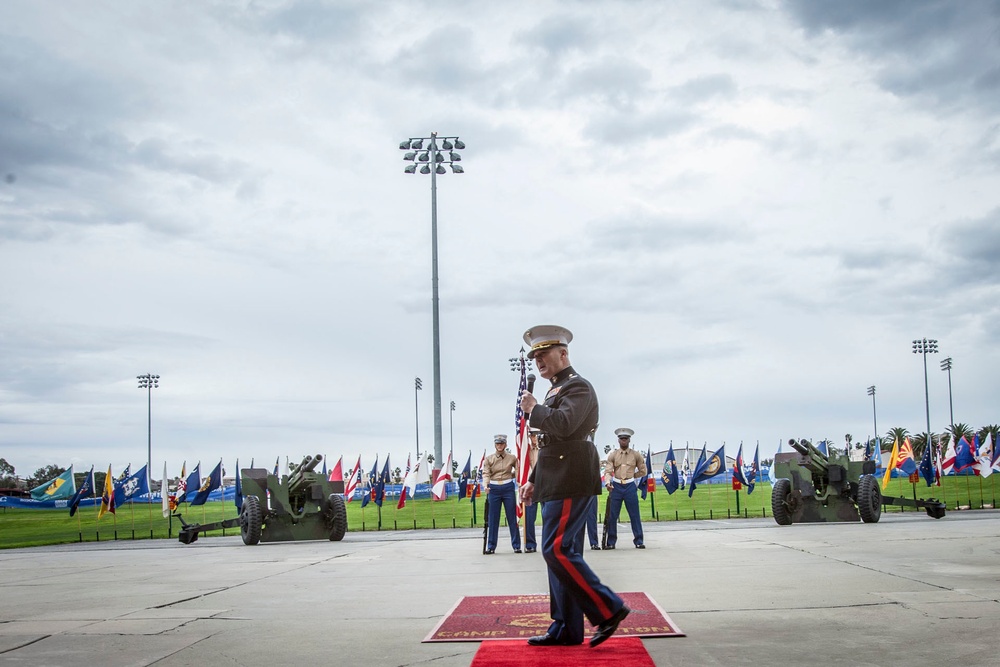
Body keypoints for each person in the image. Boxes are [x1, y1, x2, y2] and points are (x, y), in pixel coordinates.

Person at [518, 324, 629, 648]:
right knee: (558, 555)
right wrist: (533, 480)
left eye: (544, 354)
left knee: (558, 550)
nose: (538, 361)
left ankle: (609, 608)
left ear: (563, 353)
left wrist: (534, 410)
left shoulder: (578, 387)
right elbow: (551, 441)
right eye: (535, 356)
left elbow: (566, 425)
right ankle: (566, 627)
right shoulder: (555, 390)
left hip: (571, 474)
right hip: (556, 474)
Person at [603, 428, 647, 549]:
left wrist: (633, 476)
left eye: (626, 439)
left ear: (629, 440)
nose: (623, 441)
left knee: (634, 515)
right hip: (616, 486)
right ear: (618, 440)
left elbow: (643, 470)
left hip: (630, 486)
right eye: (621, 439)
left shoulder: (636, 455)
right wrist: (608, 483)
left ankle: (639, 541)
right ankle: (611, 542)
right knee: (612, 516)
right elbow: (608, 471)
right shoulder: (613, 455)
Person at [483, 434, 522, 554]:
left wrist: (518, 482)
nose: (499, 446)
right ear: (495, 445)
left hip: (507, 487)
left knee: (512, 517)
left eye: (502, 443)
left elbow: (518, 471)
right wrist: (486, 485)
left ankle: (516, 545)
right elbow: (486, 473)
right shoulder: (489, 459)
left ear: (505, 444)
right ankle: (491, 546)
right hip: (494, 488)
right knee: (493, 519)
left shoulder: (512, 458)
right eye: (497, 443)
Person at [523, 429, 540, 553]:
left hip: (545, 485)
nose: (534, 438)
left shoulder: (546, 449)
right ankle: (530, 544)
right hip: (530, 486)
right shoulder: (525, 451)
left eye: (536, 435)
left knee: (549, 516)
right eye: (532, 435)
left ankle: (549, 543)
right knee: (529, 517)